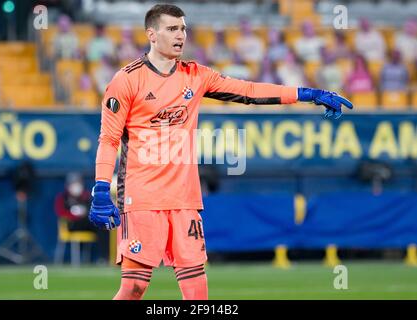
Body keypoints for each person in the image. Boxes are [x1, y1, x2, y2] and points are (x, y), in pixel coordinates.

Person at [88, 3, 353, 300]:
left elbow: (250, 91)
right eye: (172, 29)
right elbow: (108, 139)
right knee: (134, 288)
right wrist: (100, 189)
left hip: (185, 200)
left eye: (183, 29)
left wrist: (308, 94)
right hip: (142, 200)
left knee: (198, 292)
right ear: (151, 34)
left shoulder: (195, 75)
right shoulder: (126, 80)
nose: (181, 35)